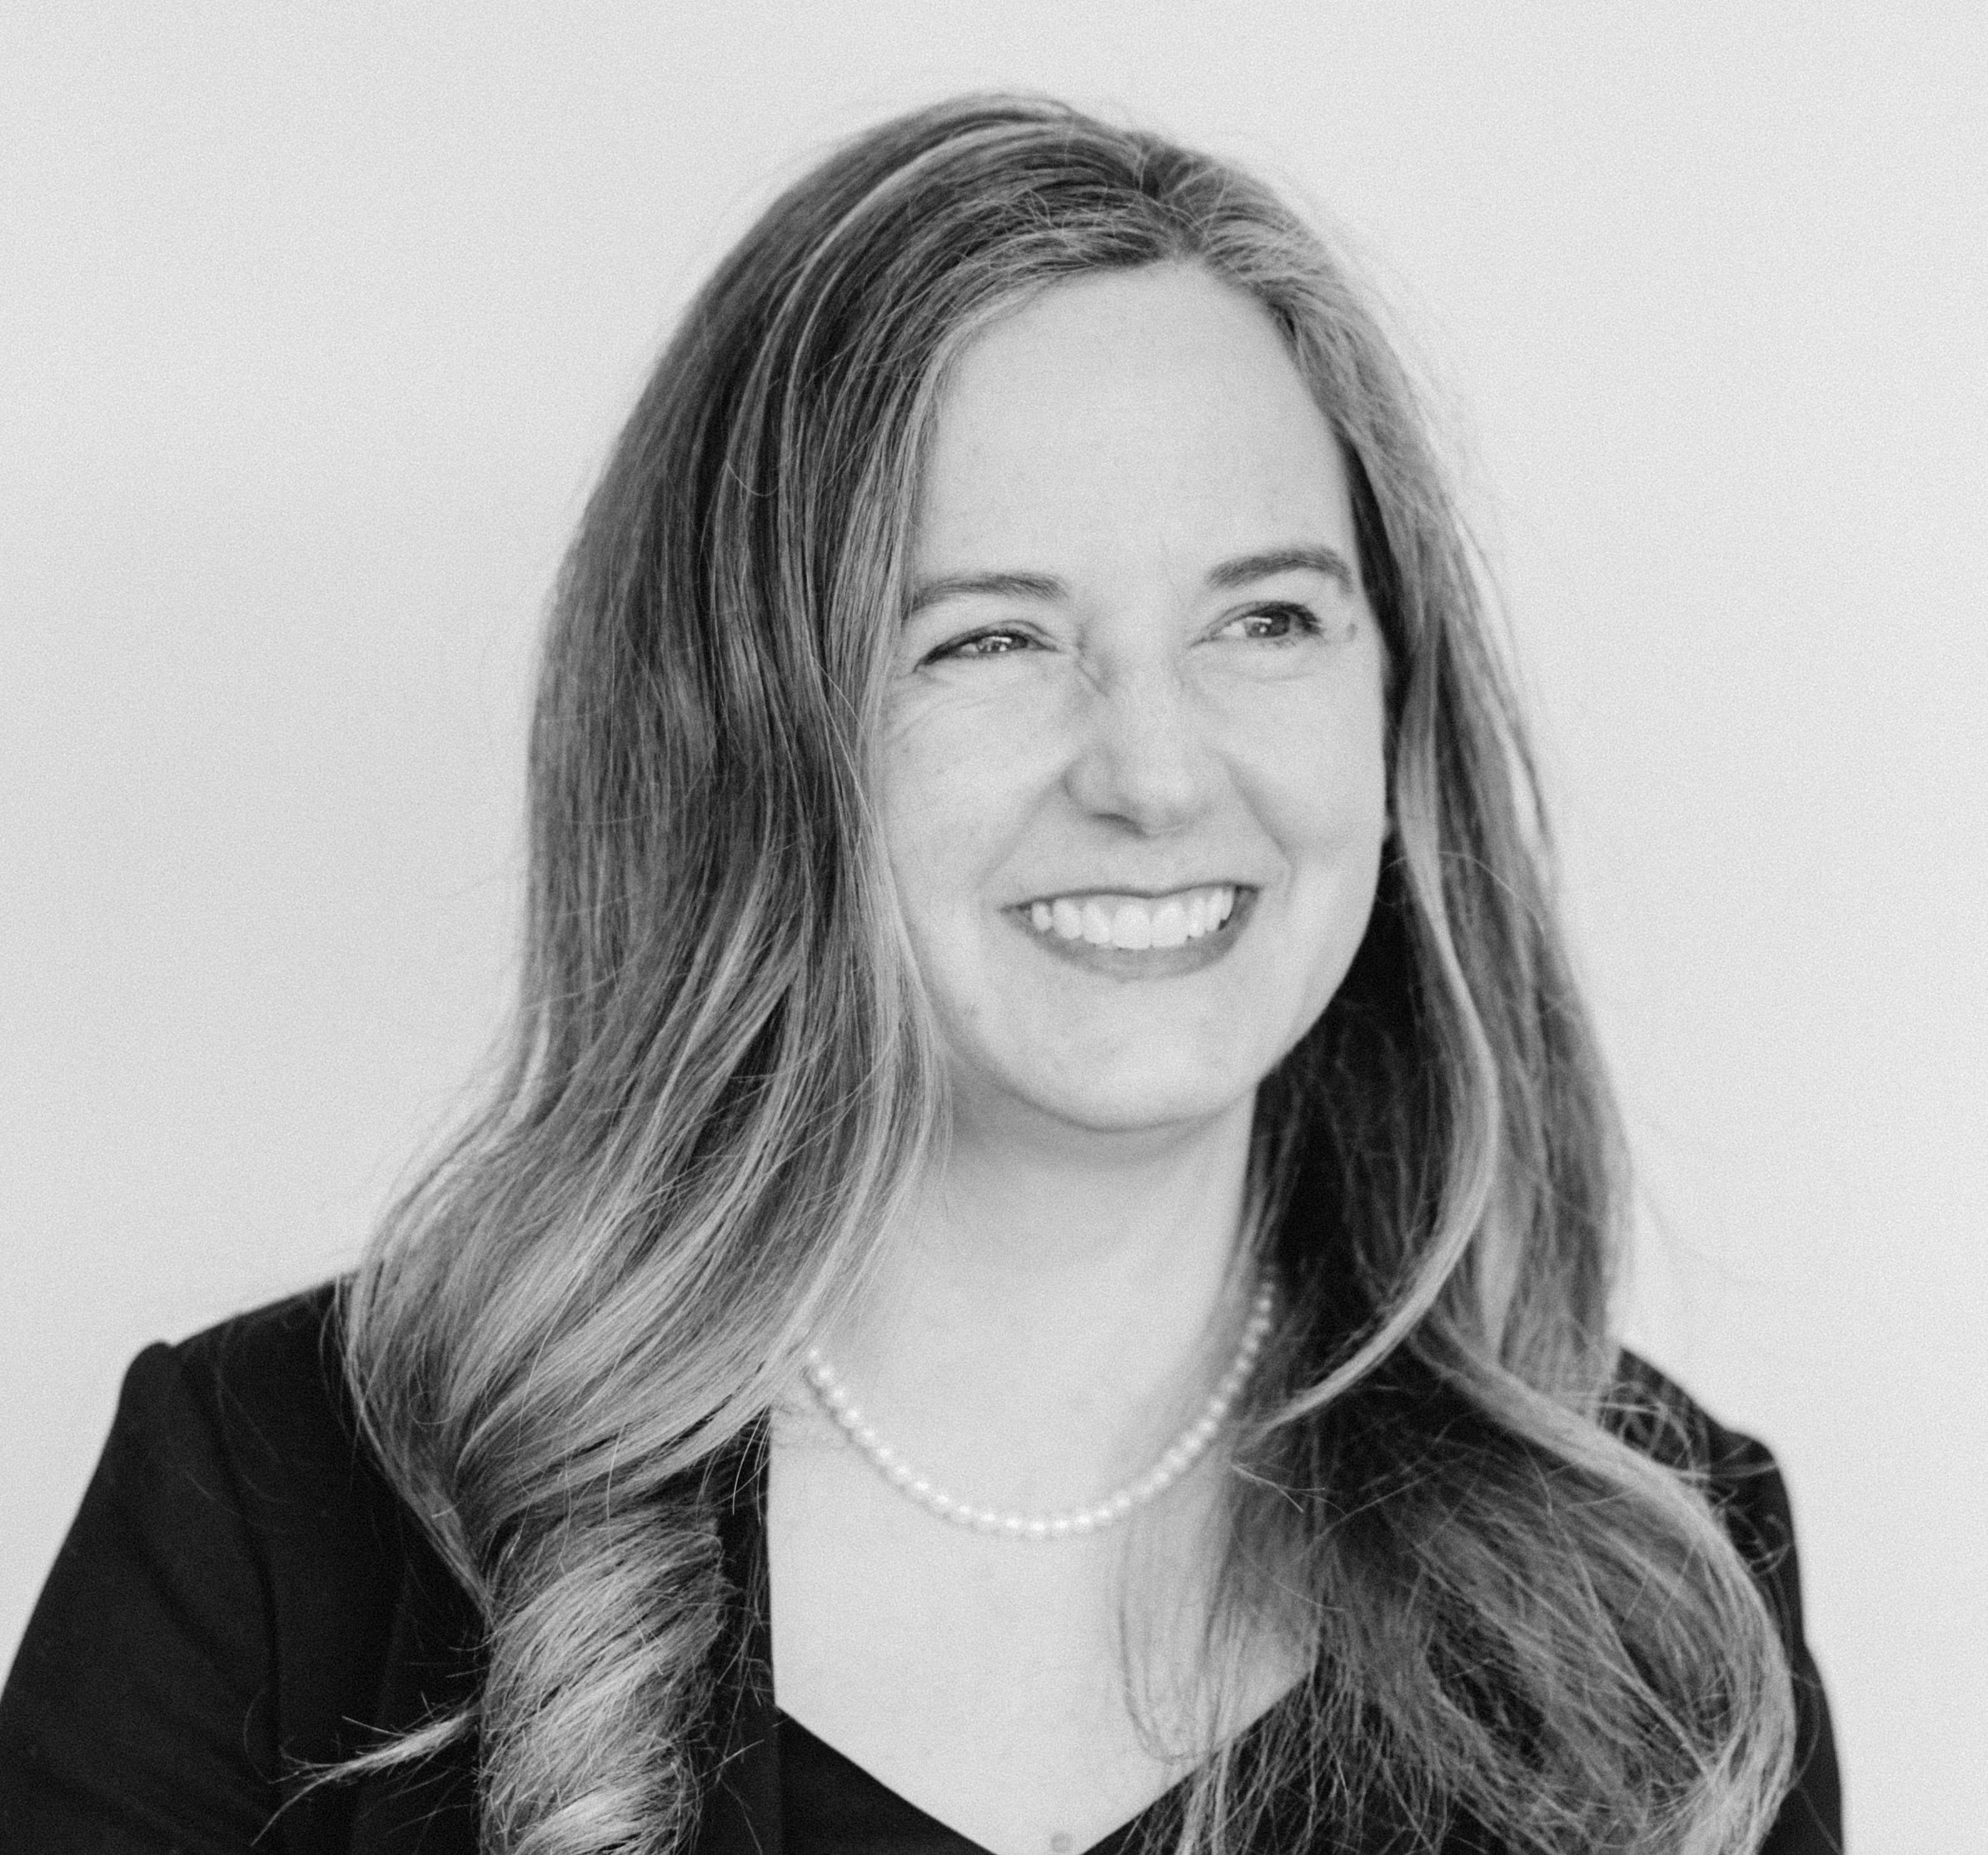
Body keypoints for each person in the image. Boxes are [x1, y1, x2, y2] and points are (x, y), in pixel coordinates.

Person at [0, 96, 1840, 1855]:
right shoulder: (279, 1512)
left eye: (1265, 618)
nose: (1155, 770)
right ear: (745, 729)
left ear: (1395, 705)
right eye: (990, 638)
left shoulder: (1666, 1576)